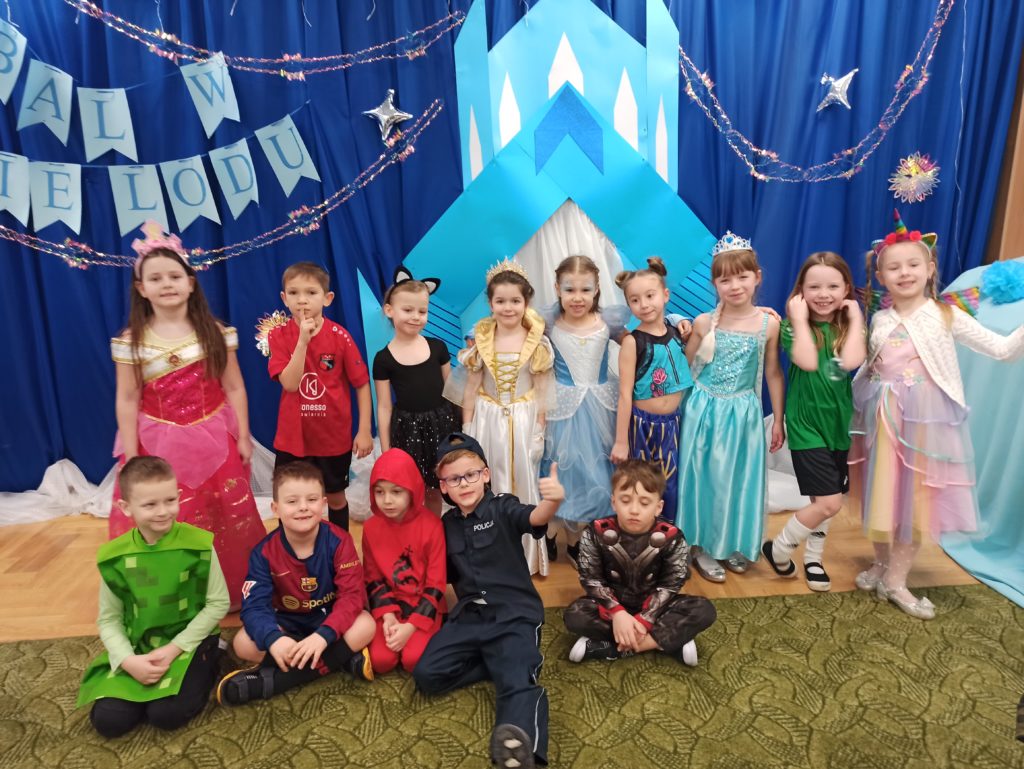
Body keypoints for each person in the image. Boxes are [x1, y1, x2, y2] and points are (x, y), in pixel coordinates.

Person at [849, 210, 1024, 619]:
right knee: (880, 495)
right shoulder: (880, 318)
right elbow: (870, 365)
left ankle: (897, 579)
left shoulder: (946, 315)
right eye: (894, 267)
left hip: (924, 424)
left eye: (913, 265)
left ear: (929, 270)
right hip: (882, 420)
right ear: (881, 276)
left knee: (913, 502)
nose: (904, 273)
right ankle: (881, 563)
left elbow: (1000, 350)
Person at [109, 221, 265, 609]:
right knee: (169, 514)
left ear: (191, 283)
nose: (167, 284)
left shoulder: (216, 333)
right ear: (141, 288)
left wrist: (244, 435)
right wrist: (132, 455)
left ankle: (230, 591)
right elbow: (127, 399)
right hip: (158, 446)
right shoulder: (132, 343)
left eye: (175, 276)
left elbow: (234, 387)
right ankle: (173, 596)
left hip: (215, 442)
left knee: (225, 516)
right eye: (156, 278)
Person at [413, 433, 564, 769]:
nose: (464, 484)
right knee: (426, 674)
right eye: (454, 479)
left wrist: (552, 503)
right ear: (443, 487)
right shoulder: (445, 525)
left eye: (470, 474)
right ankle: (498, 662)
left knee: (516, 682)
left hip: (514, 615)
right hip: (470, 618)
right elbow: (436, 574)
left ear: (485, 474)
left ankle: (521, 749)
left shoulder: (503, 506)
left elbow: (534, 518)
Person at [78, 456, 228, 737]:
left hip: (190, 642)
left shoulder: (199, 545)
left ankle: (212, 658)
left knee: (166, 715)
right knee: (109, 721)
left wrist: (174, 649)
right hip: (141, 646)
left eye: (170, 500)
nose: (162, 512)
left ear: (179, 496)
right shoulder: (115, 557)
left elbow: (218, 603)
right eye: (150, 505)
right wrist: (127, 660)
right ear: (126, 507)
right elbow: (109, 619)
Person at [217, 461, 375, 704]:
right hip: (287, 624)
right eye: (292, 501)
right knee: (242, 644)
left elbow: (352, 596)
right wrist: (275, 639)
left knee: (366, 624)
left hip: (328, 621)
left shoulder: (339, 541)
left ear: (323, 504)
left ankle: (280, 680)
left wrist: (323, 635)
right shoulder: (263, 552)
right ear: (276, 509)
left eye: (312, 500)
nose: (303, 507)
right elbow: (254, 607)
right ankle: (338, 659)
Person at [678, 232, 786, 582]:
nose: (735, 285)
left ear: (757, 277)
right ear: (715, 284)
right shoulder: (704, 323)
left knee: (738, 480)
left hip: (743, 414)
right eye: (725, 279)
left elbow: (773, 373)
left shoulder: (769, 325)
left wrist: (778, 419)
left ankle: (731, 542)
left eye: (742, 276)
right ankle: (703, 546)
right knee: (706, 479)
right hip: (704, 412)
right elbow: (685, 370)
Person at [762, 252, 866, 591]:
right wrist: (798, 318)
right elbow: (807, 361)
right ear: (801, 292)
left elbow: (851, 361)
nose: (824, 294)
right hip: (806, 427)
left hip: (839, 427)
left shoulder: (848, 327)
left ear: (846, 289)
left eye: (833, 286)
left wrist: (856, 317)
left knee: (822, 501)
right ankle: (778, 548)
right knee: (830, 502)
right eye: (814, 287)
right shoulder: (792, 327)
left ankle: (813, 558)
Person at [446, 259, 555, 575]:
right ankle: (489, 556)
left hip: (522, 419)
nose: (508, 308)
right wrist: (468, 427)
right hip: (487, 418)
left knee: (523, 481)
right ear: (491, 303)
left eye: (515, 301)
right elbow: (471, 388)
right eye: (501, 301)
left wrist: (539, 432)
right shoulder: (482, 341)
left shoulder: (537, 343)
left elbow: (543, 391)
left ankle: (524, 558)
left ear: (526, 302)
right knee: (487, 481)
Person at [563, 459, 716, 665]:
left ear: (658, 507)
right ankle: (667, 641)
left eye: (644, 503)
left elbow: (671, 584)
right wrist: (617, 613)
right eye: (625, 501)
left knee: (703, 609)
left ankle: (618, 646)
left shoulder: (672, 537)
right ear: (613, 502)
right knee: (575, 615)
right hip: (612, 607)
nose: (634, 510)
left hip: (657, 607)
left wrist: (645, 619)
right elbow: (591, 579)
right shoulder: (595, 532)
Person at [268, 261, 373, 531]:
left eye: (311, 292)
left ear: (327, 298)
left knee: (335, 498)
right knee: (289, 497)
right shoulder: (279, 336)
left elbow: (362, 384)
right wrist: (302, 341)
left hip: (332, 439)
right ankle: (288, 550)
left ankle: (341, 549)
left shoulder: (340, 337)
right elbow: (290, 384)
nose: (302, 300)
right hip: (293, 439)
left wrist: (363, 430)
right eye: (294, 293)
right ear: (284, 298)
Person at [540, 255, 627, 564]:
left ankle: (579, 538)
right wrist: (476, 336)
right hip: (563, 409)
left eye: (585, 290)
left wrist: (676, 320)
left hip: (601, 406)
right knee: (565, 472)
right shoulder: (547, 323)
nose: (577, 298)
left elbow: (644, 332)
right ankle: (553, 532)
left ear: (597, 289)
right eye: (569, 290)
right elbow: (508, 322)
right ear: (557, 289)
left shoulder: (608, 322)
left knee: (596, 475)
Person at [610, 257, 693, 518]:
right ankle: (638, 533)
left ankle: (665, 534)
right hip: (642, 426)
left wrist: (681, 320)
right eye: (635, 300)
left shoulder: (678, 332)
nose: (644, 304)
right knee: (641, 484)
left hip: (673, 424)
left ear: (665, 295)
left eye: (650, 296)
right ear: (629, 305)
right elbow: (625, 395)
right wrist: (621, 441)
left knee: (670, 485)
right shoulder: (633, 343)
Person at [373, 266, 459, 515]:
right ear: (389, 310)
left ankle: (433, 529)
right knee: (409, 487)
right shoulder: (383, 359)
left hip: (440, 424)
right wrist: (386, 450)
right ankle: (411, 530)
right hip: (407, 429)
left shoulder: (438, 347)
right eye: (408, 310)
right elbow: (384, 406)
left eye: (422, 311)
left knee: (435, 488)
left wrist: (459, 429)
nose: (416, 317)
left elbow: (452, 390)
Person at [362, 448, 447, 674]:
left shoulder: (432, 526)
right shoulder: (370, 528)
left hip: (423, 605)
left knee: (413, 660)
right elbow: (372, 577)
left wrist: (410, 628)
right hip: (390, 605)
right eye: (379, 492)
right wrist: (387, 615)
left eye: (396, 492)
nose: (387, 501)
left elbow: (437, 583)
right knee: (380, 661)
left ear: (412, 490)